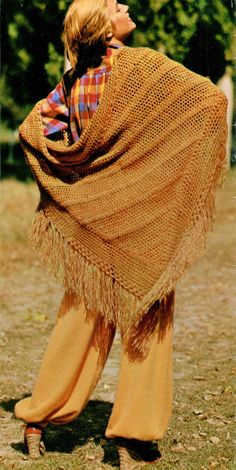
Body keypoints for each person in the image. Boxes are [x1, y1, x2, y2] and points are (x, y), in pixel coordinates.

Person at [14, 0, 227, 468]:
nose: (126, 6)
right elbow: (210, 100)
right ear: (101, 23)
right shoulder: (143, 67)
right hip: (144, 231)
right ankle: (132, 440)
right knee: (146, 332)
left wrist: (80, 180)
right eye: (115, 4)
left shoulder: (71, 82)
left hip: (94, 233)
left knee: (77, 327)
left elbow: (36, 130)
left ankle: (36, 420)